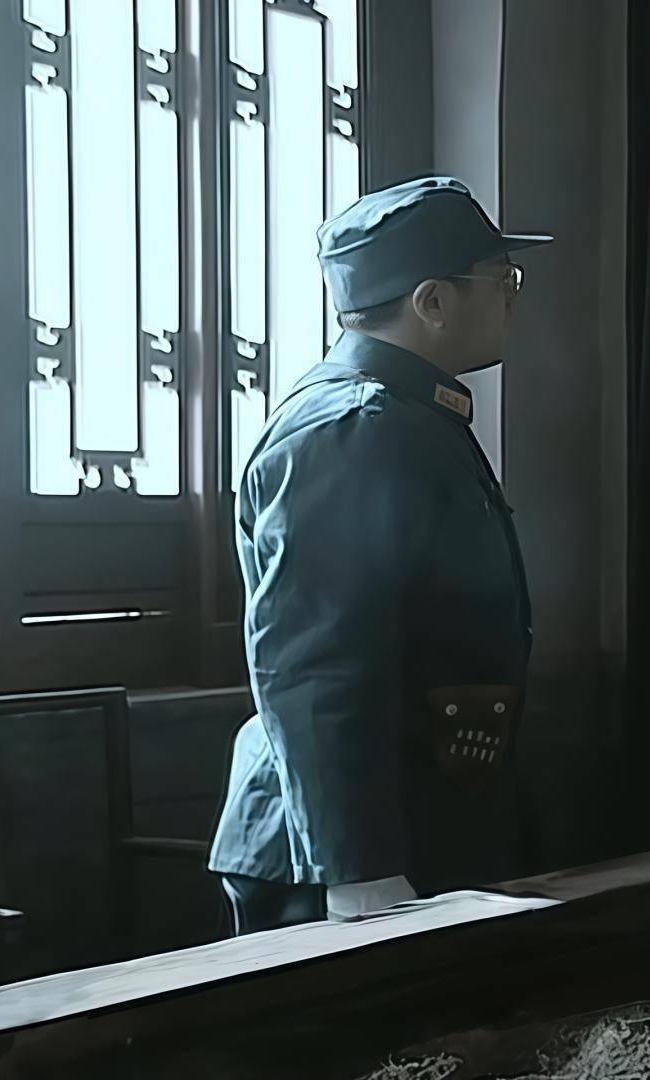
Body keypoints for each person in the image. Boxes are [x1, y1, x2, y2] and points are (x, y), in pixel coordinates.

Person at [209, 176, 548, 933]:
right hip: (341, 854)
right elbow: (314, 662)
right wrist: (358, 867)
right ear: (433, 302)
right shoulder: (354, 428)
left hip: (416, 819)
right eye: (502, 280)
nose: (513, 299)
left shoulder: (407, 414)